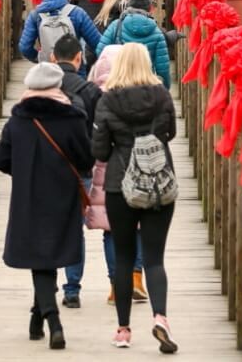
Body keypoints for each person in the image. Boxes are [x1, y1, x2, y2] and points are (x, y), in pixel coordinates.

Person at [0, 62, 94, 349]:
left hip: (28, 197)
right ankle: (43, 318)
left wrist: (23, 170)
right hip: (63, 196)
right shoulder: (73, 119)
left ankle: (50, 318)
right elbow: (86, 160)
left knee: (39, 256)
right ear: (58, 86)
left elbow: (0, 159)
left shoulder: (18, 121)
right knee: (49, 254)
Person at [92, 43, 179, 353]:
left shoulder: (108, 99)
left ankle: (124, 329)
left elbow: (100, 149)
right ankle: (161, 317)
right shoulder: (161, 95)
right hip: (159, 180)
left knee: (125, 257)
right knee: (155, 258)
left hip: (119, 183)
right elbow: (170, 133)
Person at [88, 45, 147, 307]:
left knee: (111, 229)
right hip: (143, 166)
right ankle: (136, 277)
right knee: (139, 225)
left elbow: (98, 142)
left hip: (109, 169)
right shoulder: (151, 94)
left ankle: (115, 285)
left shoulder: (101, 97)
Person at [49, 33, 103, 308]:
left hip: (49, 166)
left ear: (52, 58)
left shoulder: (43, 89)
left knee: (50, 225)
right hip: (81, 165)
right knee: (75, 228)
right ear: (79, 58)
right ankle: (72, 288)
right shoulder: (90, 91)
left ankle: (46, 285)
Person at [19, 0, 102, 73]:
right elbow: (98, 44)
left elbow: (24, 47)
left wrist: (40, 58)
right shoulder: (78, 13)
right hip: (74, 73)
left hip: (48, 70)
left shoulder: (36, 14)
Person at [96, 0, 171, 88]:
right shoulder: (157, 32)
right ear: (149, 8)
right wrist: (165, 88)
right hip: (145, 84)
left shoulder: (116, 25)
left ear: (129, 4)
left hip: (121, 82)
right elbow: (163, 68)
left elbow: (100, 51)